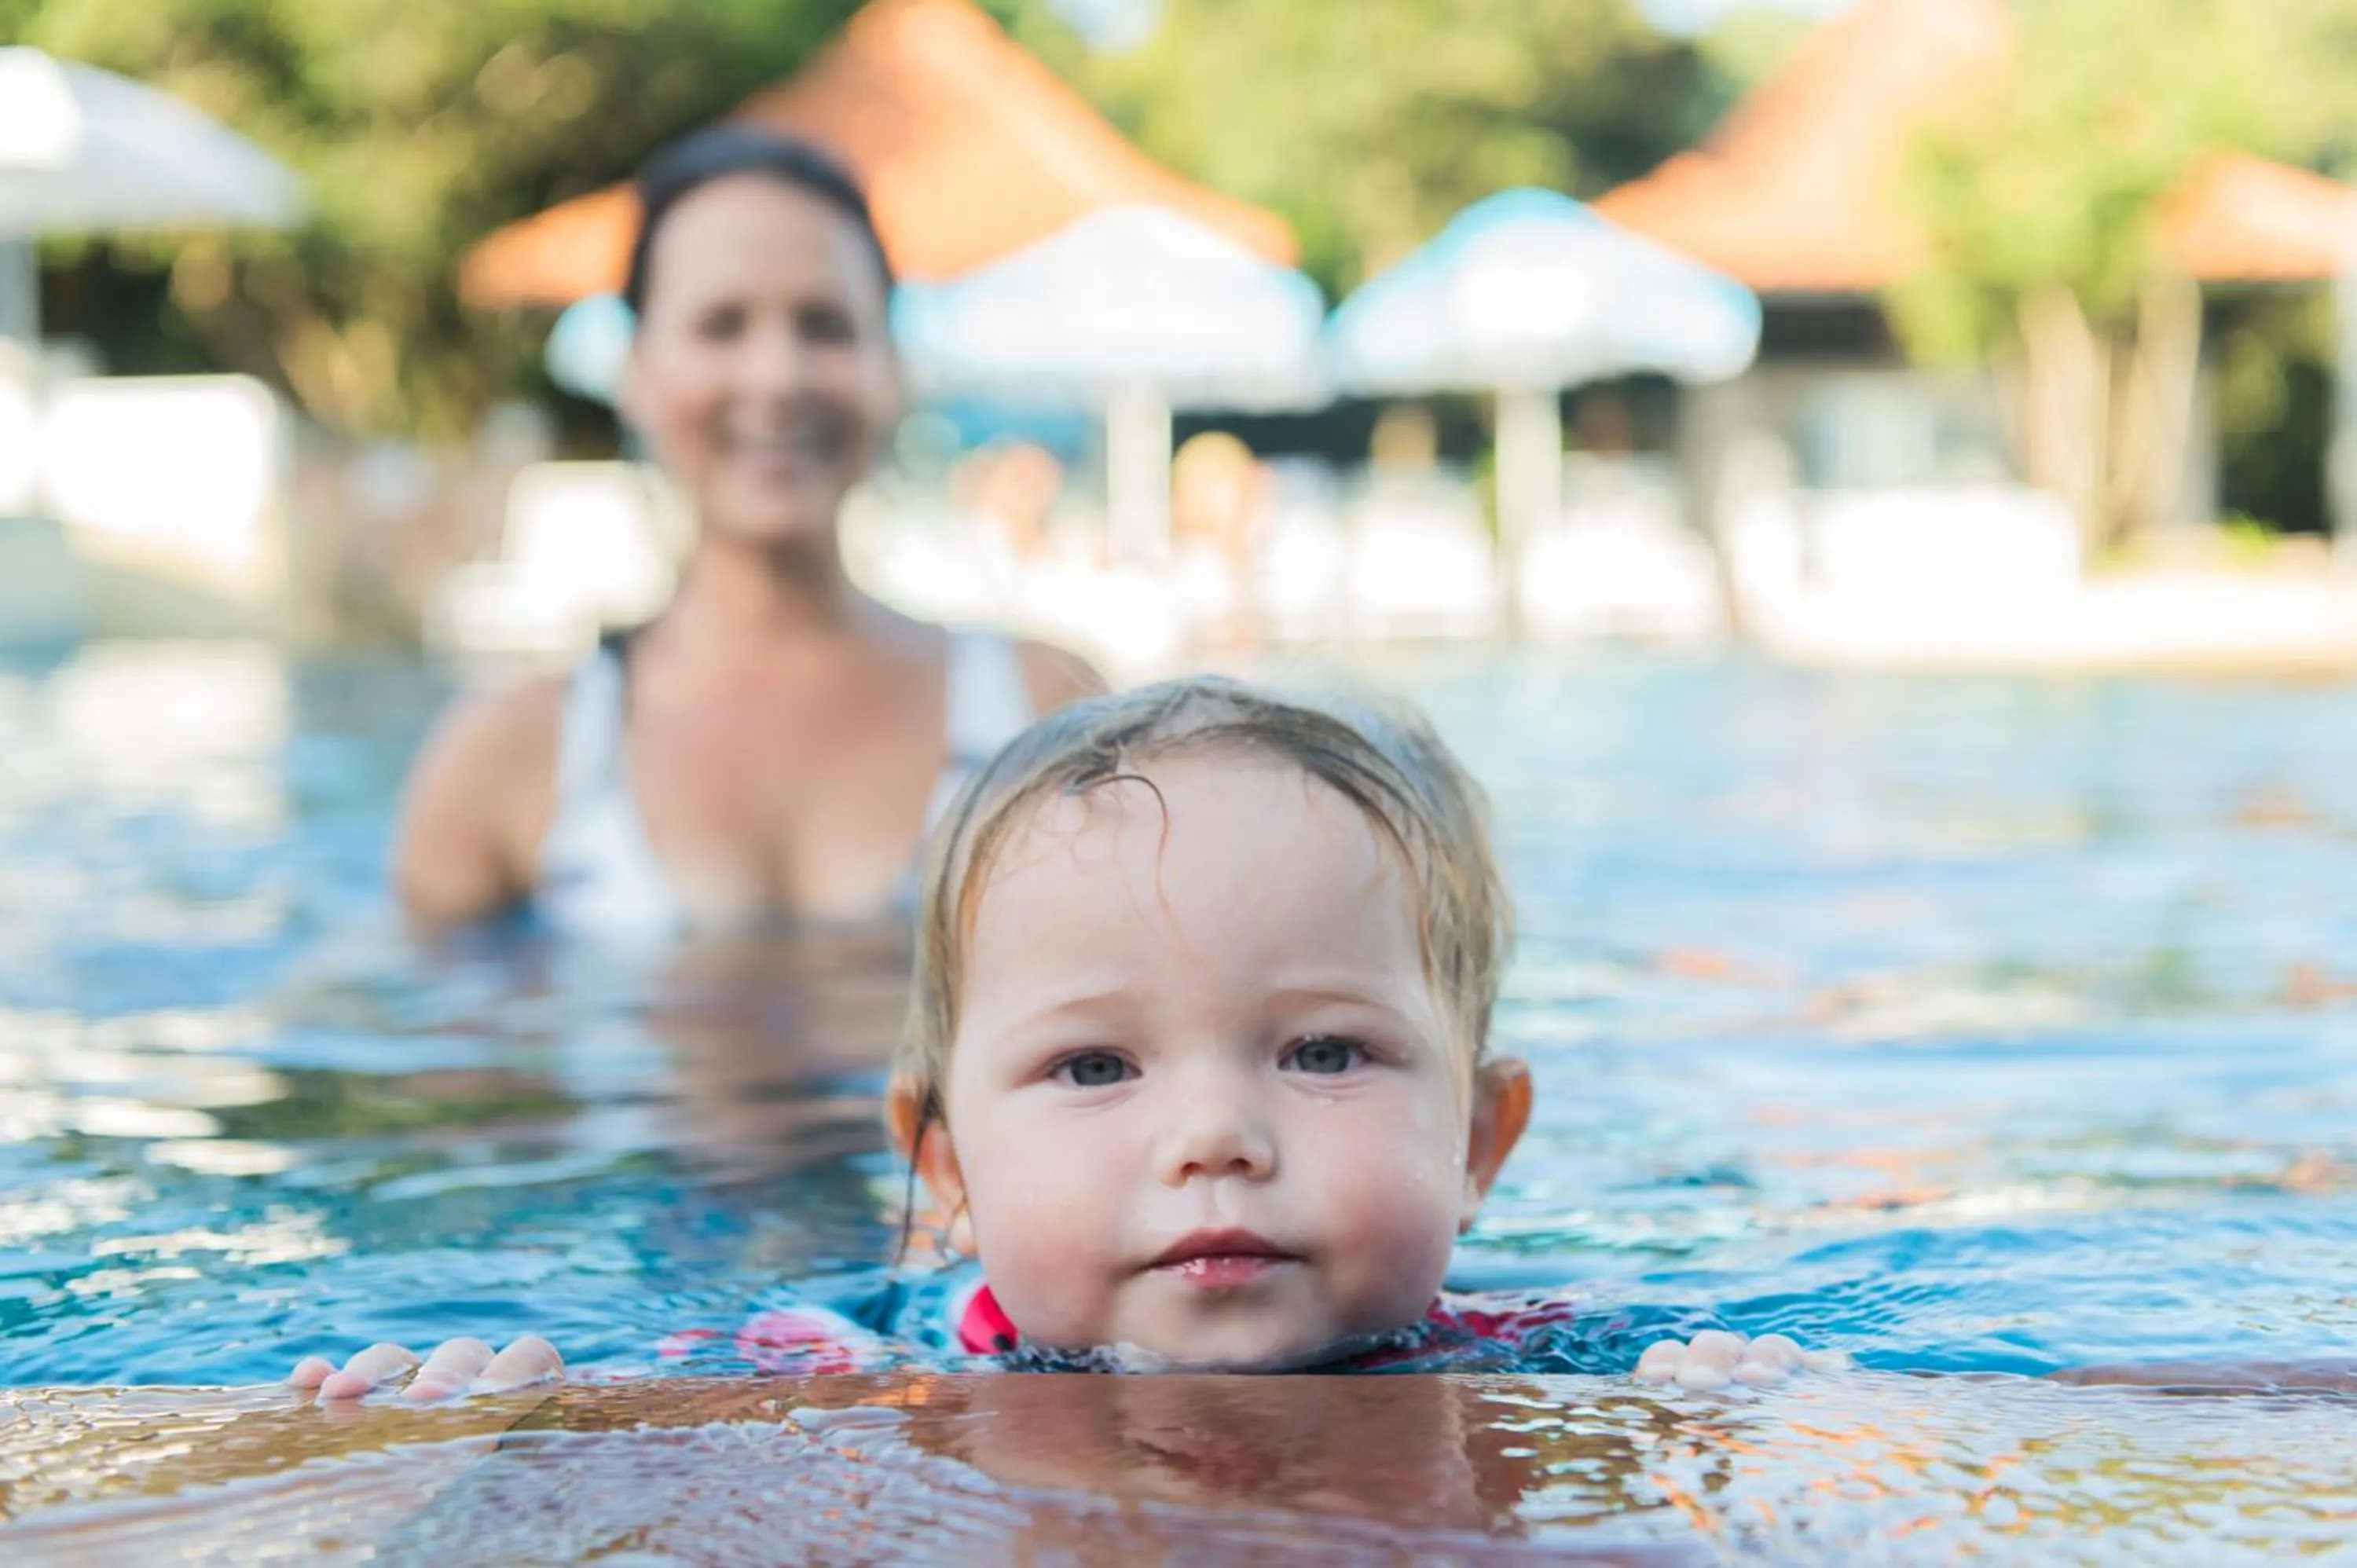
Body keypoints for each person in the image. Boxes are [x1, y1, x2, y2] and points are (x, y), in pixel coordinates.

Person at [291, 679, 2352, 1398]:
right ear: (935, 1156)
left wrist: (1764, 1399)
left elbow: (2070, 1373)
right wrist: (500, 1399)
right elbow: (634, 1418)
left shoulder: (1546, 1346)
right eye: (1094, 1067)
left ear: (1488, 1136)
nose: (1216, 1136)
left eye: (1326, 1052)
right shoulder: (830, 1360)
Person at [396, 127, 1102, 937]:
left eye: (825, 325)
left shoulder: (1045, 716)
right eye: (721, 325)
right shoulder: (508, 757)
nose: (776, 377)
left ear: (892, 367)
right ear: (636, 372)